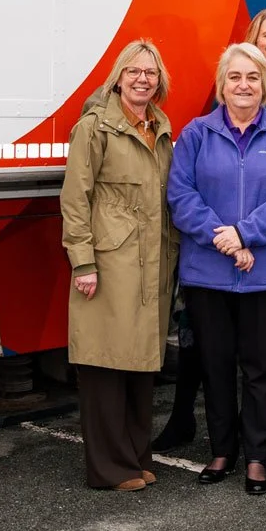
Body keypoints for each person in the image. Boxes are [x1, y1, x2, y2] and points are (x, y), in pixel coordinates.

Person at [167, 43, 266, 495]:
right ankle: (222, 451)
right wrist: (225, 239)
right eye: (235, 77)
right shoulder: (196, 134)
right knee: (214, 365)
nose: (244, 85)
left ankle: (256, 457)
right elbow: (180, 196)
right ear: (222, 84)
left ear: (264, 85)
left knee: (260, 367)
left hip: (264, 274)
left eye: (252, 77)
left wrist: (245, 234)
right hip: (208, 273)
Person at [59, 40, 176, 492]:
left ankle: (135, 457)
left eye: (150, 72)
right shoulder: (95, 128)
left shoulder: (160, 128)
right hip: (109, 263)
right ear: (118, 77)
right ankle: (108, 468)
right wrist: (83, 262)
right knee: (105, 363)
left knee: (140, 363)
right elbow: (75, 199)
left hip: (150, 263)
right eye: (134, 71)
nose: (142, 78)